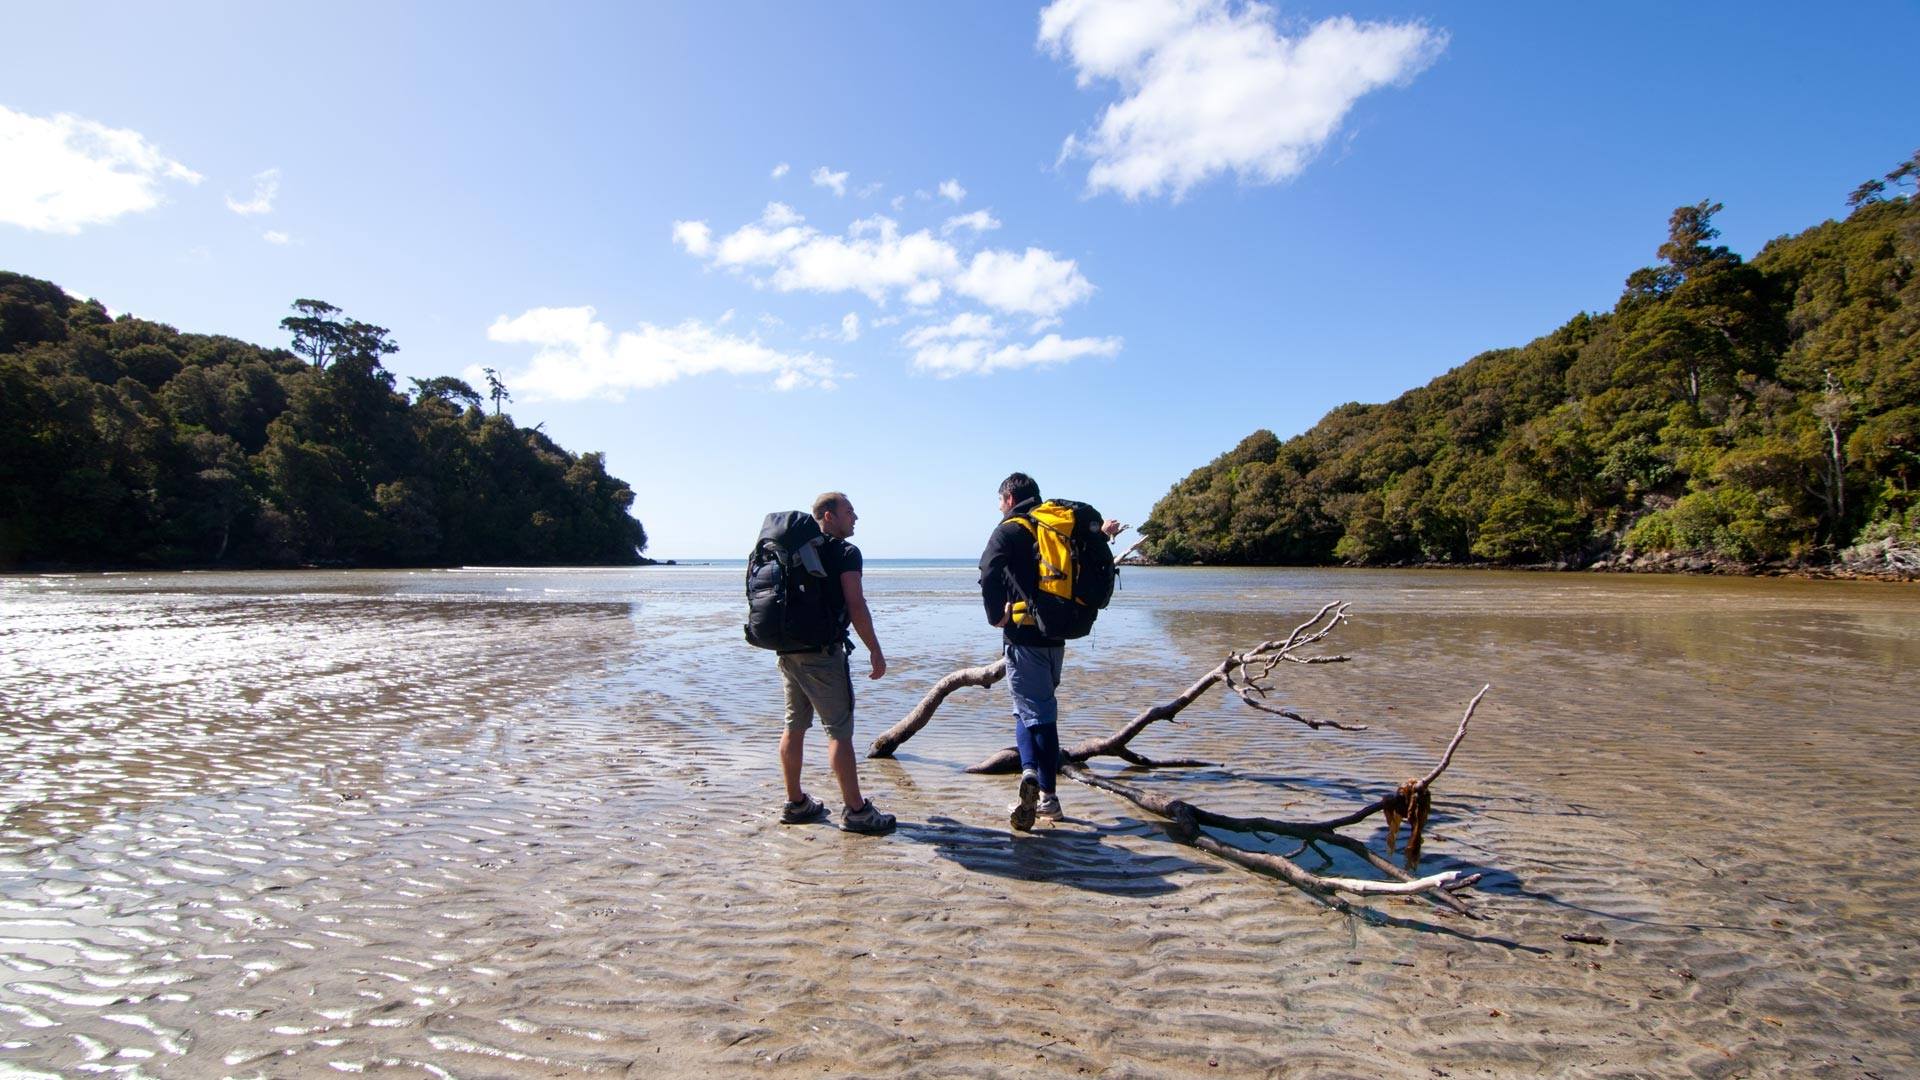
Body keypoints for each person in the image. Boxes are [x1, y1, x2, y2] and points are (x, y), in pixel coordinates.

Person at [977, 472, 1123, 831]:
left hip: (1023, 635)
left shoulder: (1009, 529)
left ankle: (1047, 796)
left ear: (1009, 498)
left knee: (1037, 713)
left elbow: (987, 572)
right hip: (1058, 632)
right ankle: (1031, 774)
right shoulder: (1060, 527)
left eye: (999, 501)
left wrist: (997, 616)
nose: (999, 508)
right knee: (1030, 708)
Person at [777, 492, 895, 834]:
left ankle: (796, 802)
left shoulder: (795, 550)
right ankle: (856, 811)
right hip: (822, 655)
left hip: (787, 650)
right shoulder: (845, 552)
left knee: (794, 725)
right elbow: (856, 605)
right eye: (849, 511)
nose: (855, 517)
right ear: (828, 516)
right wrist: (875, 649)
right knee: (839, 732)